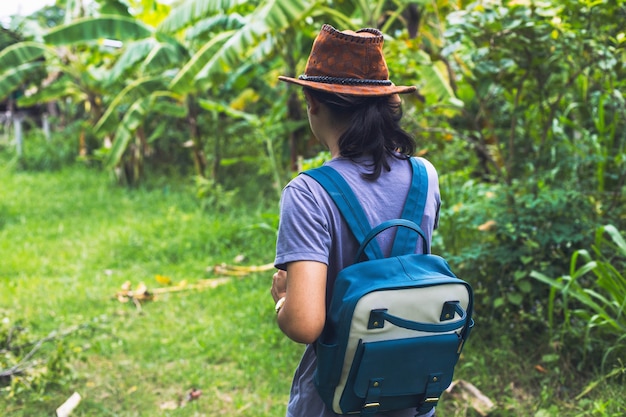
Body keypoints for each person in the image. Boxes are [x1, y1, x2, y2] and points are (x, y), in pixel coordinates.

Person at [271, 24, 441, 417]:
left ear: (313, 102)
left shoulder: (308, 192)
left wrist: (283, 297)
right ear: (386, 104)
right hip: (412, 392)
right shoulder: (425, 175)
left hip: (336, 399)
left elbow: (305, 324)